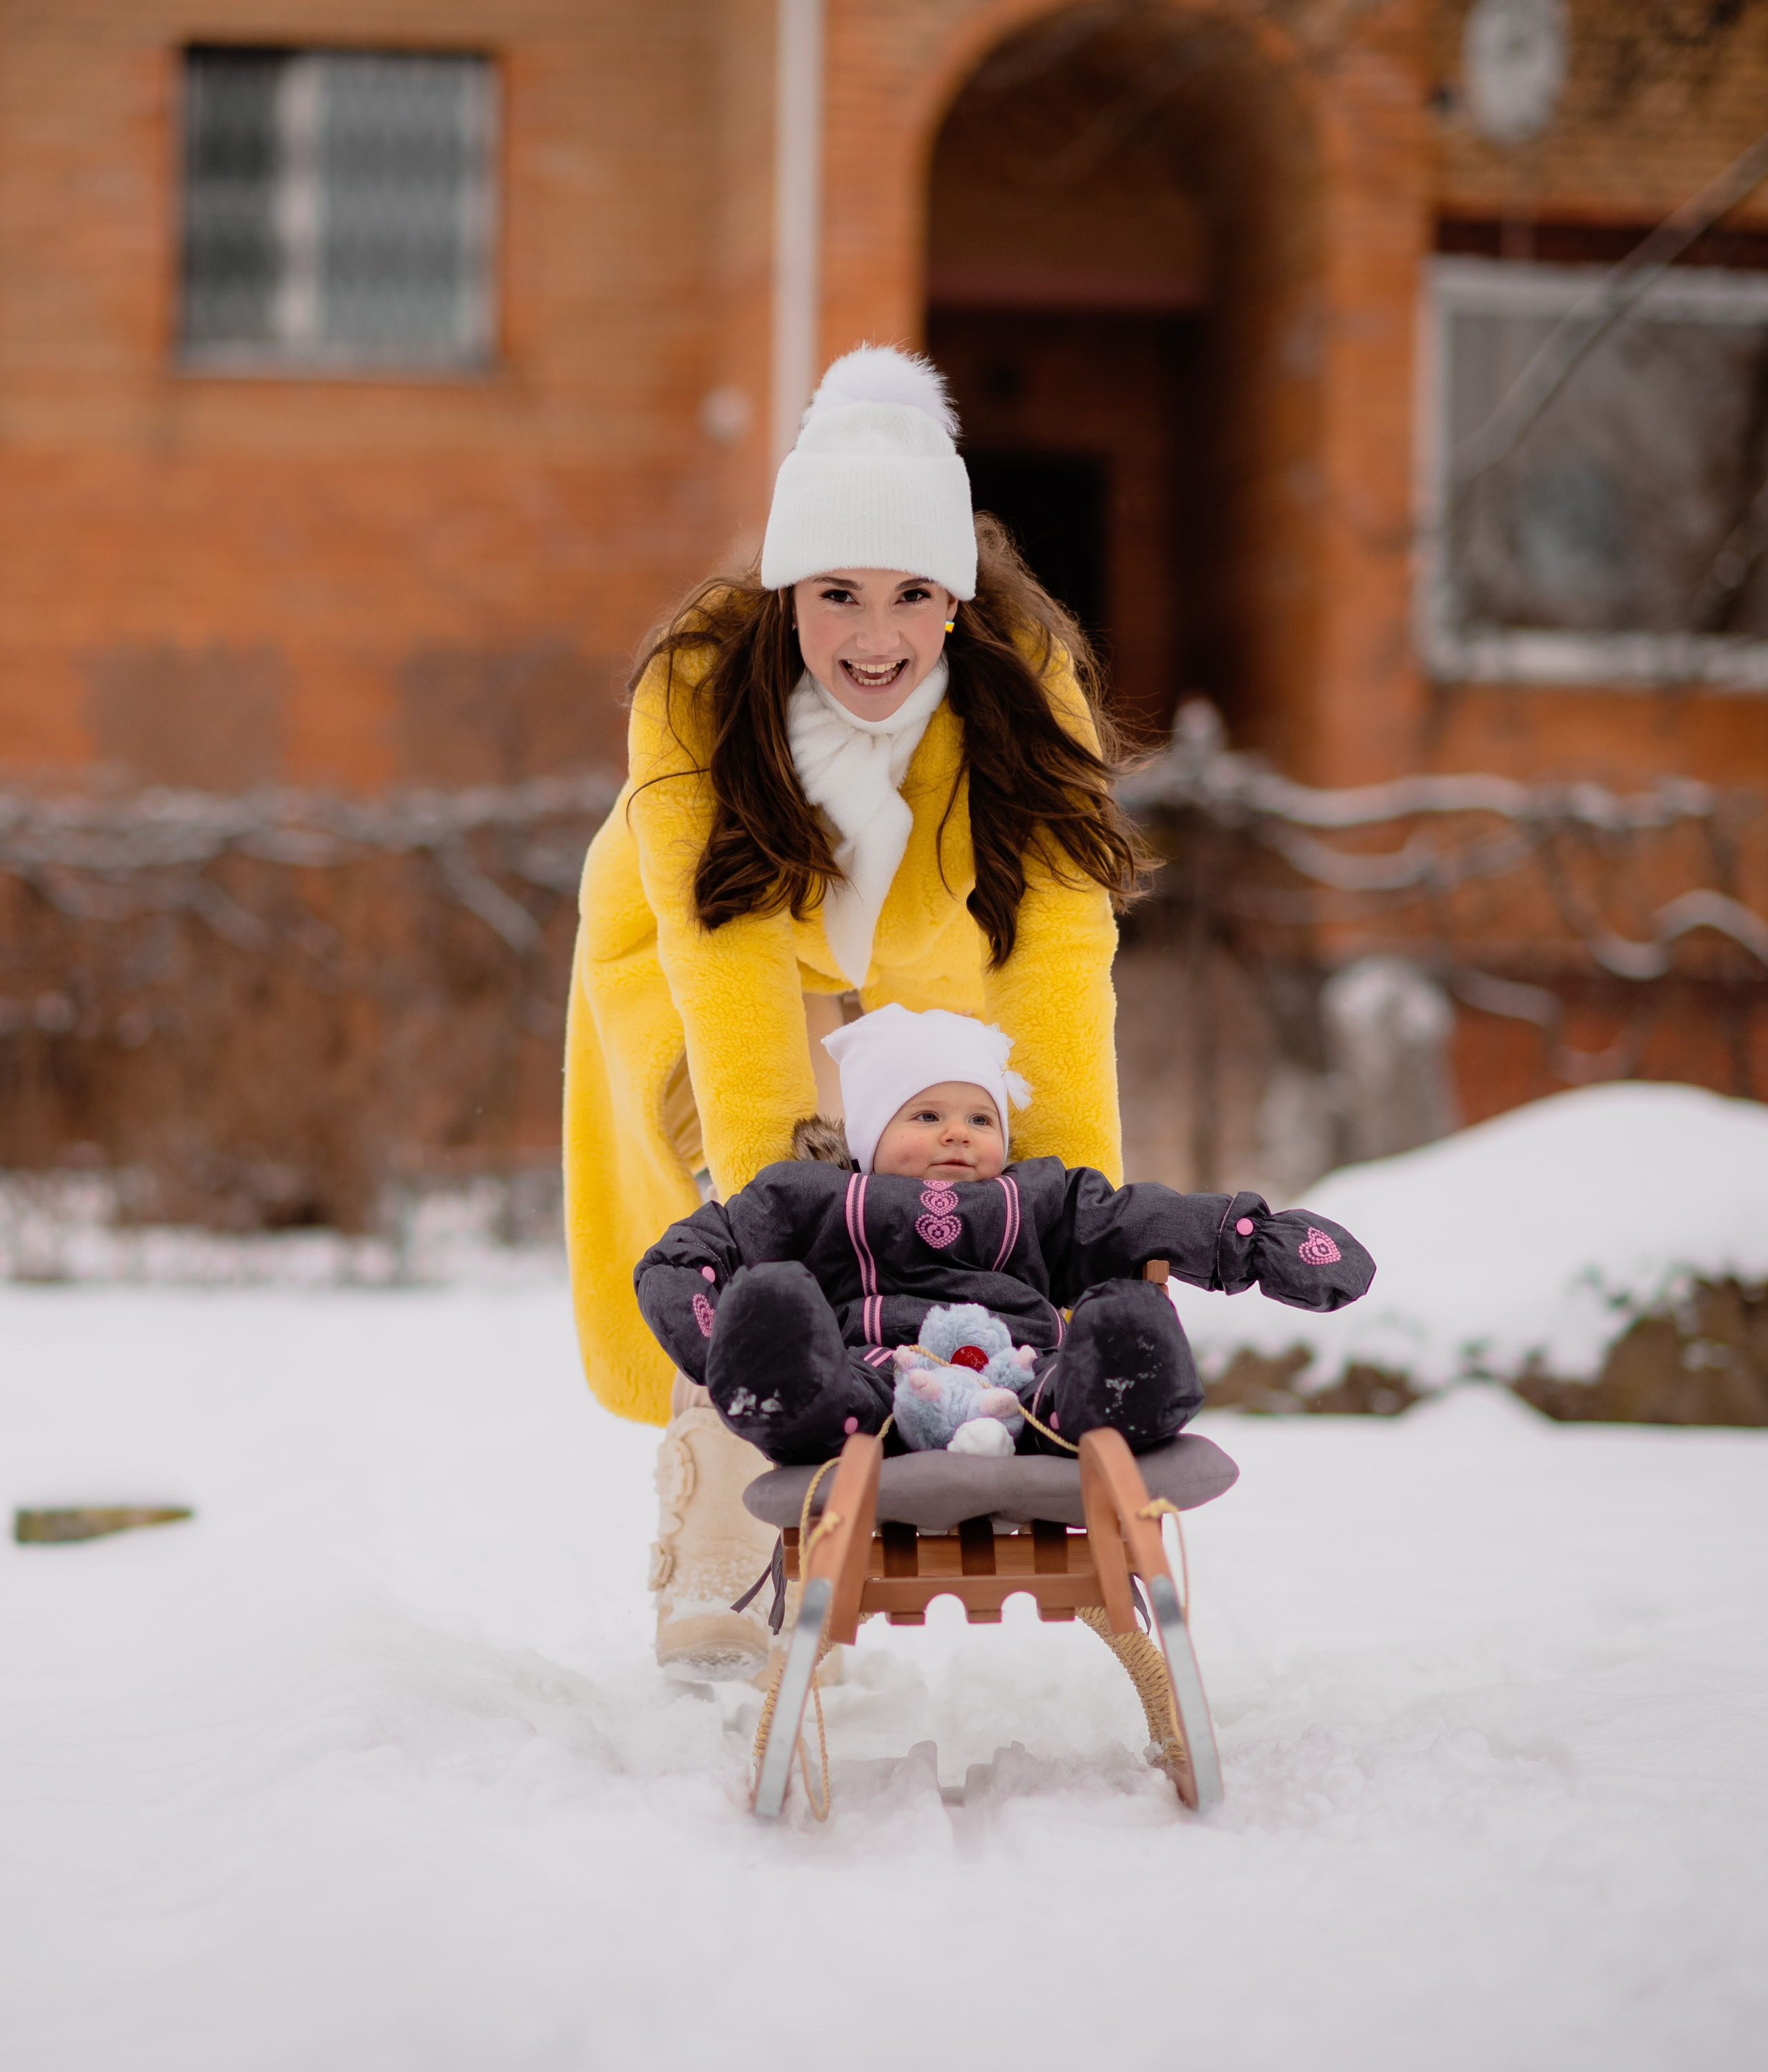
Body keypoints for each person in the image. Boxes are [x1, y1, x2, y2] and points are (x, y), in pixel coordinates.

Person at [564, 345, 1145, 1676]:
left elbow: (1060, 947)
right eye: (837, 594)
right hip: (700, 949)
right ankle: (725, 1545)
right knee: (757, 1230)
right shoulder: (699, 686)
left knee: (940, 1203)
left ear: (956, 601)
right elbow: (723, 958)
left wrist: (1079, 1218)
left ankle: (898, 1455)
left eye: (910, 596)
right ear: (787, 591)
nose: (874, 639)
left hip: (922, 969)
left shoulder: (1025, 682)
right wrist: (775, 1209)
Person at [634, 1006, 1376, 1466]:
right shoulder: (810, 1195)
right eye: (926, 1116)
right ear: (866, 1136)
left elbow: (1138, 1218)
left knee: (1111, 1325)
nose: (957, 1133)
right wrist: (716, 1342)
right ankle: (786, 1392)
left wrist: (1257, 1240)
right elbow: (688, 1254)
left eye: (980, 1118)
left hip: (1023, 1379)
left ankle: (1115, 1392)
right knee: (791, 1324)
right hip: (873, 1380)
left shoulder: (1040, 1196)